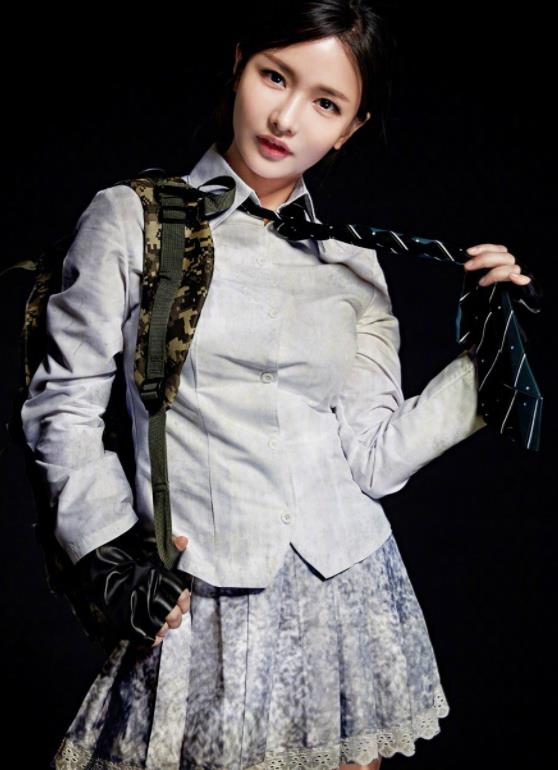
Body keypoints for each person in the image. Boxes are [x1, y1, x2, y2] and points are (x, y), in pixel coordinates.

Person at [20, 2, 533, 769]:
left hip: (346, 589)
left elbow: (373, 458)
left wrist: (487, 358)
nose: (286, 119)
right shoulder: (134, 221)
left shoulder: (354, 262)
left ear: (351, 128)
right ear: (239, 63)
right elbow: (62, 406)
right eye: (275, 77)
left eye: (326, 103)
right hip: (204, 596)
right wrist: (105, 551)